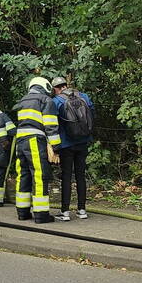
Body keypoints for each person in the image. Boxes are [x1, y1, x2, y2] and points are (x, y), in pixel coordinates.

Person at [12, 76, 61, 224]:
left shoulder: (22, 101)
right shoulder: (45, 100)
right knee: (39, 176)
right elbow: (51, 125)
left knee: (23, 175)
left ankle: (22, 212)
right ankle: (41, 215)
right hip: (34, 140)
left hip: (20, 141)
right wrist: (56, 147)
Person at [50, 76, 95, 221]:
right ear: (66, 85)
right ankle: (82, 210)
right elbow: (92, 115)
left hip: (66, 144)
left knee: (67, 177)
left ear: (56, 88)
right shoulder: (83, 96)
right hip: (83, 142)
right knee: (81, 175)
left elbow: (53, 124)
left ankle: (65, 212)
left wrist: (54, 148)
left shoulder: (56, 101)